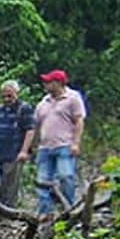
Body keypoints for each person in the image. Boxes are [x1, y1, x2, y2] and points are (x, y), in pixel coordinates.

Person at [31, 69, 88, 214]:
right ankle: (46, 213)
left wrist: (76, 143)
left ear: (58, 83)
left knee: (66, 176)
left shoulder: (73, 98)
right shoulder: (43, 102)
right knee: (42, 180)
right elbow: (37, 125)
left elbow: (79, 121)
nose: (46, 84)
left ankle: (69, 208)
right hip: (45, 147)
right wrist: (33, 145)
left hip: (65, 145)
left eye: (49, 82)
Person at [0, 79, 36, 211]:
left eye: (10, 96)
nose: (6, 99)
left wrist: (24, 151)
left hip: (14, 153)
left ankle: (9, 212)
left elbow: (30, 130)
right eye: (3, 96)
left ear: (17, 93)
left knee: (10, 187)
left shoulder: (24, 109)